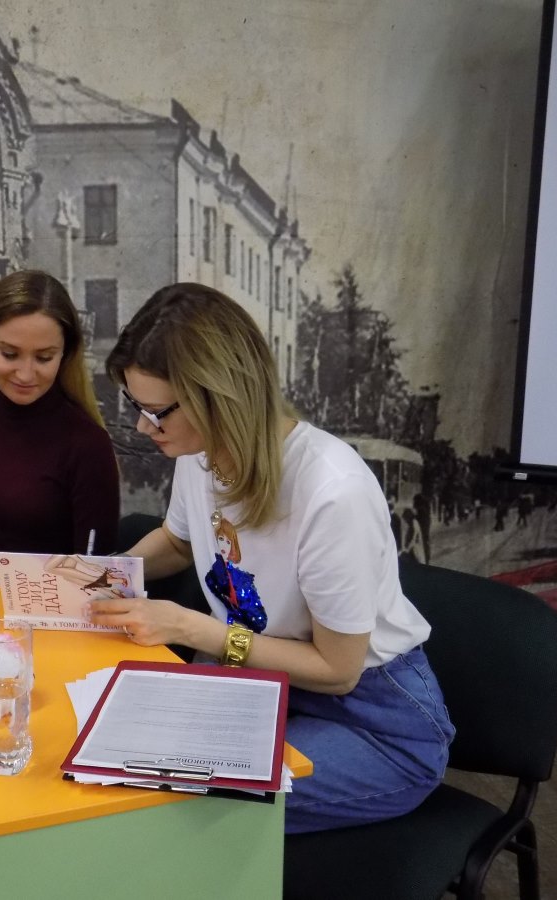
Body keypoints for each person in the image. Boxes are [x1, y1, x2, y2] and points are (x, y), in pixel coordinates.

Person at [87, 283, 453, 834]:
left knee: (177, 805)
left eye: (155, 412)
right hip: (258, 683)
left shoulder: (332, 491)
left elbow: (337, 671)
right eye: (137, 407)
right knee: (115, 767)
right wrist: (103, 575)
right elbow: (180, 542)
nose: (143, 426)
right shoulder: (200, 452)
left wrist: (193, 628)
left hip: (374, 721)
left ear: (219, 398)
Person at [0, 270, 120, 585]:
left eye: (44, 358)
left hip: (60, 611)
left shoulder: (87, 444)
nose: (25, 374)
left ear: (65, 355)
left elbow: (93, 574)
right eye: (9, 354)